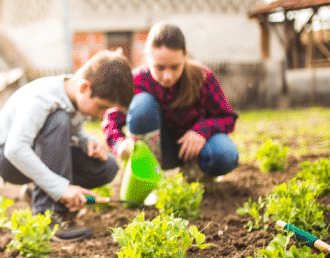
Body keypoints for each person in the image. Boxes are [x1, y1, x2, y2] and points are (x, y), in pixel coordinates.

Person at [0, 49, 134, 242]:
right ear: (84, 87)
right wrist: (61, 189)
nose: (101, 114)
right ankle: (48, 214)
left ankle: (36, 192)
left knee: (106, 168)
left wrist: (86, 140)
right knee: (59, 119)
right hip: (8, 161)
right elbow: (15, 148)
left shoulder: (75, 98)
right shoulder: (42, 98)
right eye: (101, 107)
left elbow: (73, 130)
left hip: (35, 154)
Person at [102, 22, 238, 181]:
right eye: (160, 67)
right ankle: (149, 175)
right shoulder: (136, 82)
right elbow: (110, 120)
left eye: (175, 67)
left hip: (193, 150)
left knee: (224, 154)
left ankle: (196, 172)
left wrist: (202, 131)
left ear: (185, 55)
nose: (168, 76)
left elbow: (227, 118)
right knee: (141, 104)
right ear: (147, 57)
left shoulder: (202, 78)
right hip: (157, 150)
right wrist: (120, 144)